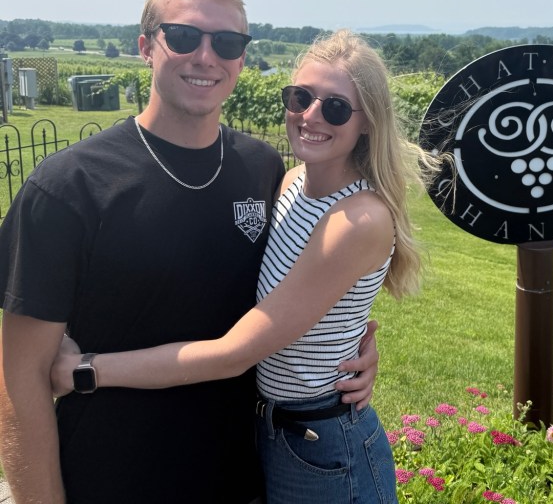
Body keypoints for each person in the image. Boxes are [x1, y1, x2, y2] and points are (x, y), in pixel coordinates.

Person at [0, 0, 379, 504]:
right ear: (145, 47)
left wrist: (356, 341)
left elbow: (298, 289)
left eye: (226, 43)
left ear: (242, 59)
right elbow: (19, 381)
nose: (206, 56)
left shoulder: (262, 169)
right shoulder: (68, 189)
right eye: (182, 36)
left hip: (242, 477)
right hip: (111, 480)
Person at [51, 29, 433, 503]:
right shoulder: (291, 181)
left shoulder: (356, 220)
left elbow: (235, 352)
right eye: (300, 98)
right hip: (272, 429)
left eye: (335, 108)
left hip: (321, 445)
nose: (310, 116)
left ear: (368, 123)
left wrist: (87, 369)